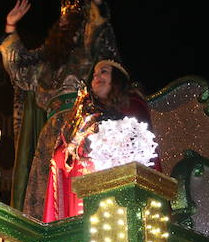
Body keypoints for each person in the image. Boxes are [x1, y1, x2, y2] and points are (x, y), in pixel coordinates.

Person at [0, 0, 120, 218]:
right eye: (63, 22)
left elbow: (97, 35)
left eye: (74, 21)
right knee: (45, 191)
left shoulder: (86, 53)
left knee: (78, 187)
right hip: (49, 131)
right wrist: (11, 28)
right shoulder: (46, 61)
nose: (67, 26)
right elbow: (20, 72)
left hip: (81, 126)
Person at [42, 58, 155, 222]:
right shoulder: (82, 114)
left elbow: (138, 150)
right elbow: (61, 156)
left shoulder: (133, 106)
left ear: (117, 79)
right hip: (81, 192)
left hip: (116, 191)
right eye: (94, 75)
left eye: (104, 72)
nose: (97, 77)